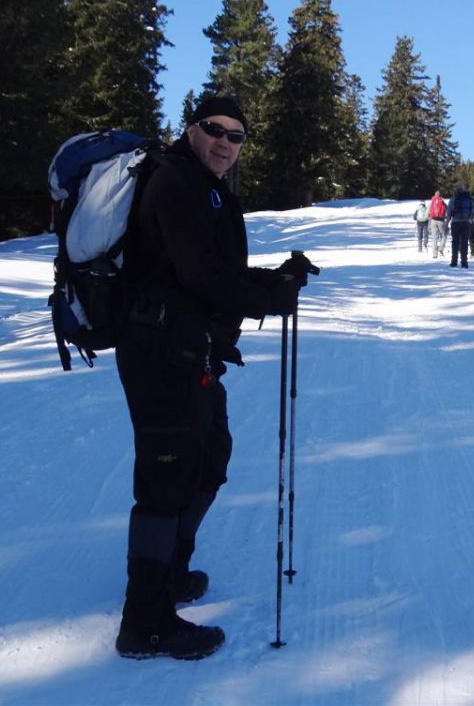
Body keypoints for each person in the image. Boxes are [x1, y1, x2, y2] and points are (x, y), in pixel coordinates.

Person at [114, 96, 314, 660]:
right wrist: (267, 299)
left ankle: (170, 573)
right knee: (165, 480)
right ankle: (144, 624)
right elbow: (197, 273)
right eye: (215, 130)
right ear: (192, 130)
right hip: (157, 352)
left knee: (209, 460)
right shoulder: (175, 183)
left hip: (189, 351)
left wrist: (273, 279)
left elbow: (209, 267)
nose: (226, 142)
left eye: (237, 135)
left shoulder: (205, 185)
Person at [445, 184, 474, 268]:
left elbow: (449, 210)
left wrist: (448, 220)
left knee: (455, 242)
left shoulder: (454, 198)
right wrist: (470, 219)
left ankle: (454, 261)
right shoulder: (468, 198)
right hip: (465, 222)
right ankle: (464, 262)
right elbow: (472, 210)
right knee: (464, 243)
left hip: (455, 222)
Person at [428, 190, 448, 258]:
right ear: (440, 195)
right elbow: (447, 210)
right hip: (441, 221)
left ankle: (434, 254)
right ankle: (441, 248)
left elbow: (430, 212)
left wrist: (429, 222)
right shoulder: (442, 202)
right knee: (443, 235)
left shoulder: (432, 201)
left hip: (433, 220)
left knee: (434, 238)